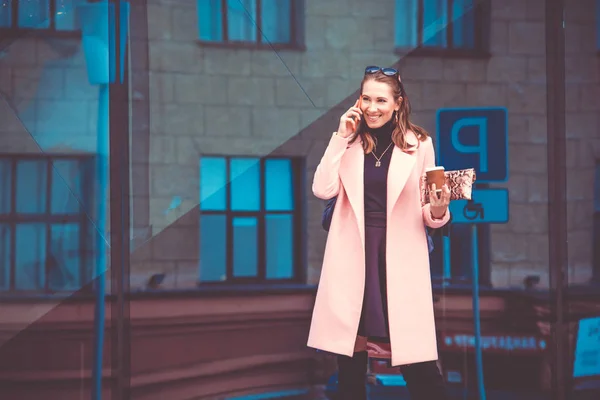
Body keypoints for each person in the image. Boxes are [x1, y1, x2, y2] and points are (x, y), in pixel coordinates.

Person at [307, 66, 451, 400]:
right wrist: (340, 137)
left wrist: (440, 209)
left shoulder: (420, 144)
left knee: (420, 367)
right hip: (353, 256)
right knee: (350, 366)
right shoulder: (349, 142)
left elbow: (428, 212)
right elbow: (322, 188)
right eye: (366, 98)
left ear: (398, 103)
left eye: (381, 100)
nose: (373, 107)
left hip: (399, 258)